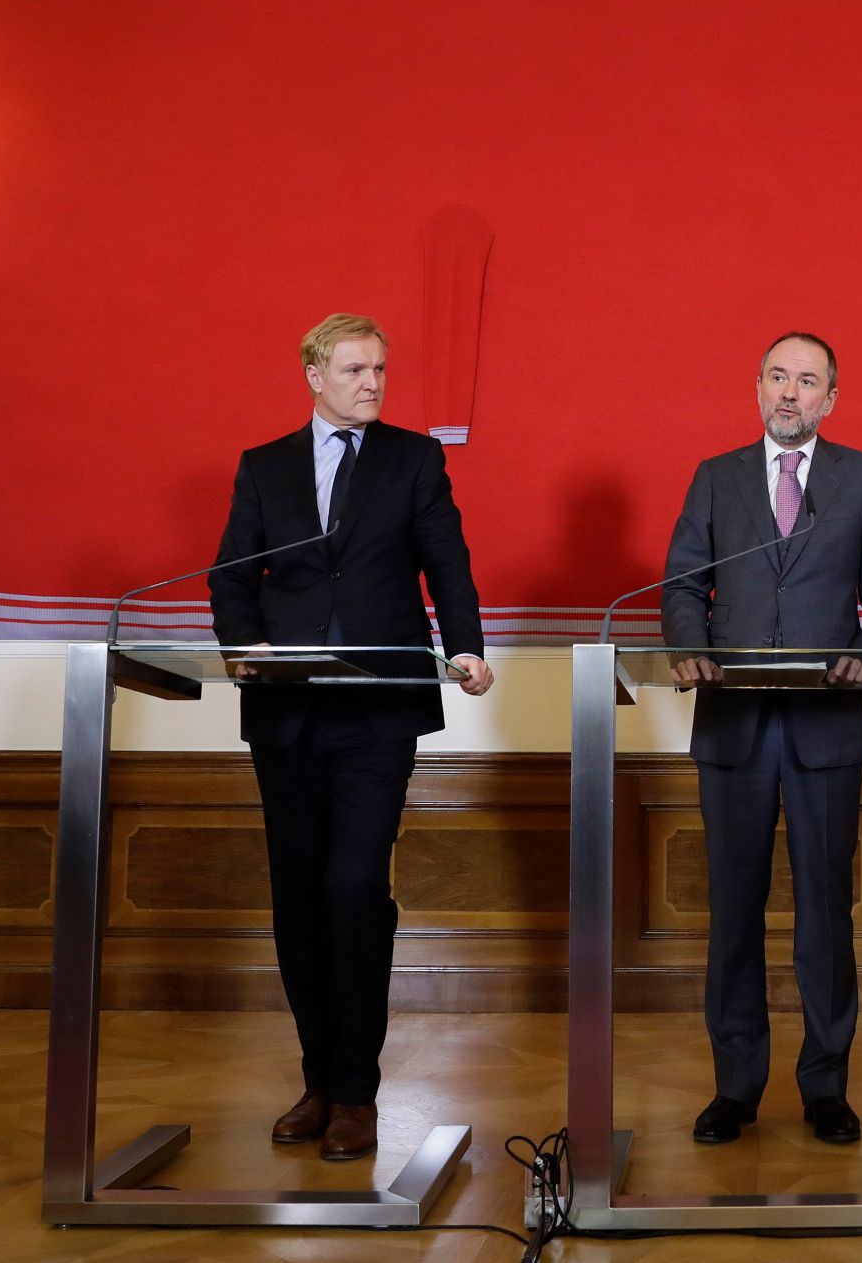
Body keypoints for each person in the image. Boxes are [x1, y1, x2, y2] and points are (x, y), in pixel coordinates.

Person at [209, 313, 492, 1161]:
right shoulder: (264, 467)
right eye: (357, 368)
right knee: (298, 896)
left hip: (376, 711)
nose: (373, 381)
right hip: (288, 711)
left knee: (355, 885)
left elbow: (446, 556)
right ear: (314, 376)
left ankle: (360, 1091)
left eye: (380, 368)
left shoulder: (414, 458)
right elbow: (232, 574)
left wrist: (466, 644)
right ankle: (320, 1080)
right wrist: (242, 645)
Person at [661, 333, 862, 1146]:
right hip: (732, 724)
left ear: (831, 398)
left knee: (825, 916)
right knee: (732, 911)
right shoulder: (715, 477)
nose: (791, 393)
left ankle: (825, 1085)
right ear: (757, 386)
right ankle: (735, 1087)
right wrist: (687, 641)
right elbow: (678, 586)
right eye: (779, 377)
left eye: (808, 381)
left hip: (825, 726)